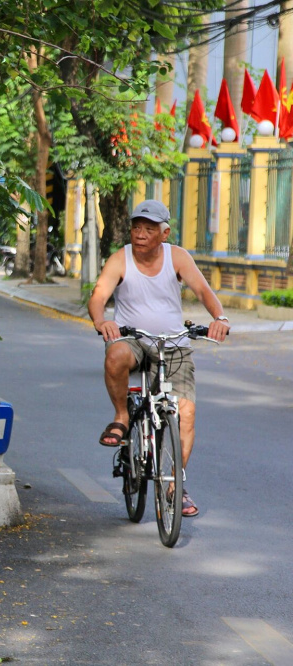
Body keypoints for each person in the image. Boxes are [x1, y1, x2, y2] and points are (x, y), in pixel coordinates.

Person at [87, 200, 229, 517]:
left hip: (174, 344)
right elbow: (98, 295)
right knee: (115, 354)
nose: (140, 234)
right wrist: (102, 322)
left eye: (149, 229)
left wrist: (220, 317)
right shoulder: (119, 259)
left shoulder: (177, 257)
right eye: (137, 227)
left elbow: (204, 291)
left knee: (187, 412)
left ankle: (176, 486)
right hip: (134, 340)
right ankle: (122, 417)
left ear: (164, 233)